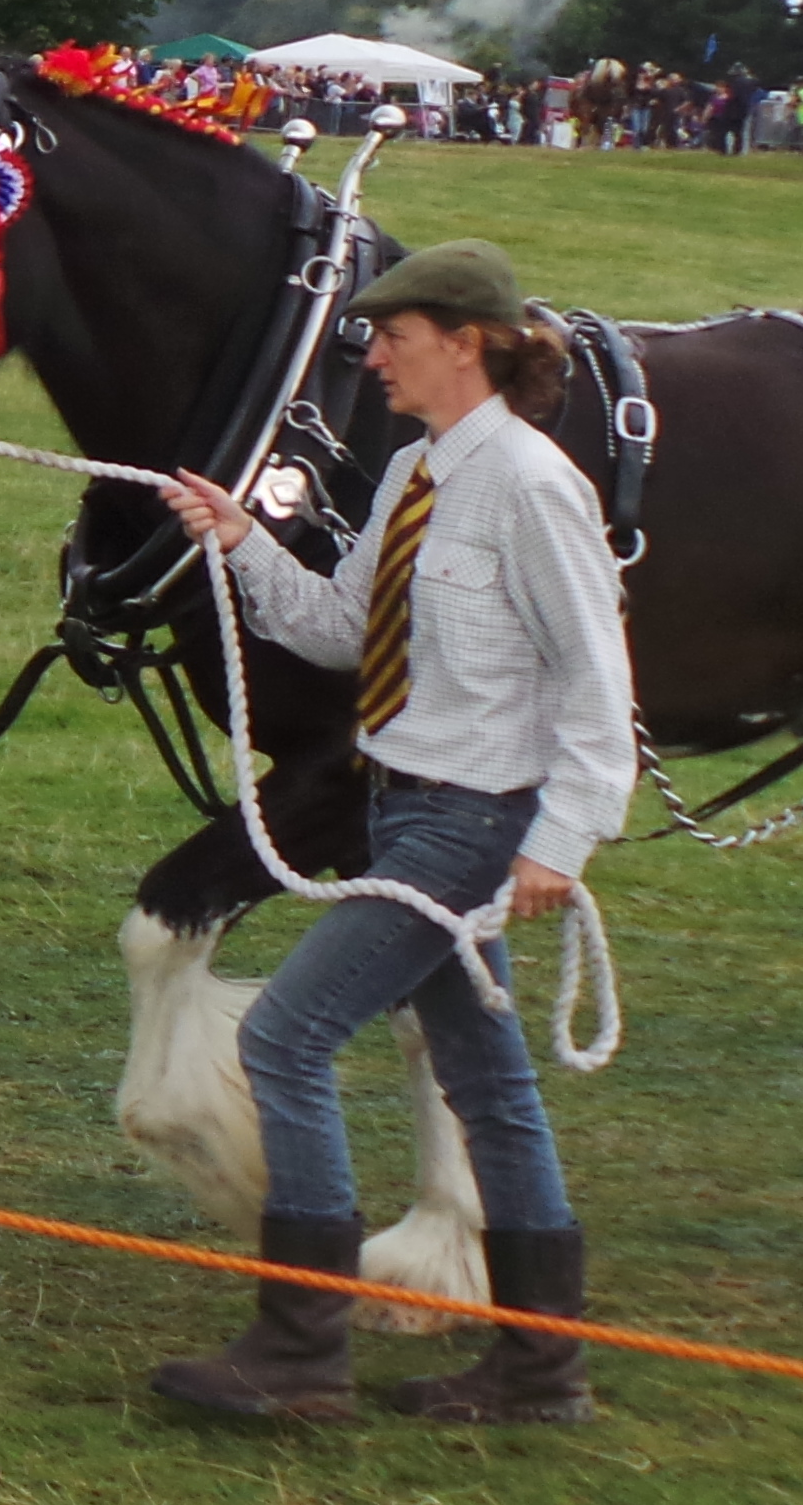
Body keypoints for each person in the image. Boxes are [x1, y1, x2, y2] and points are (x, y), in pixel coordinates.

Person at [143, 239, 636, 1426]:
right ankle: (541, 1369)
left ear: (466, 344)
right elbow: (338, 628)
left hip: (470, 825)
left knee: (286, 1038)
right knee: (488, 1084)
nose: (372, 359)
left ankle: (302, 1352)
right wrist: (242, 540)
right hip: (401, 808)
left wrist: (560, 842)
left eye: (394, 337)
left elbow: (598, 682)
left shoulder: (532, 487)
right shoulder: (417, 472)